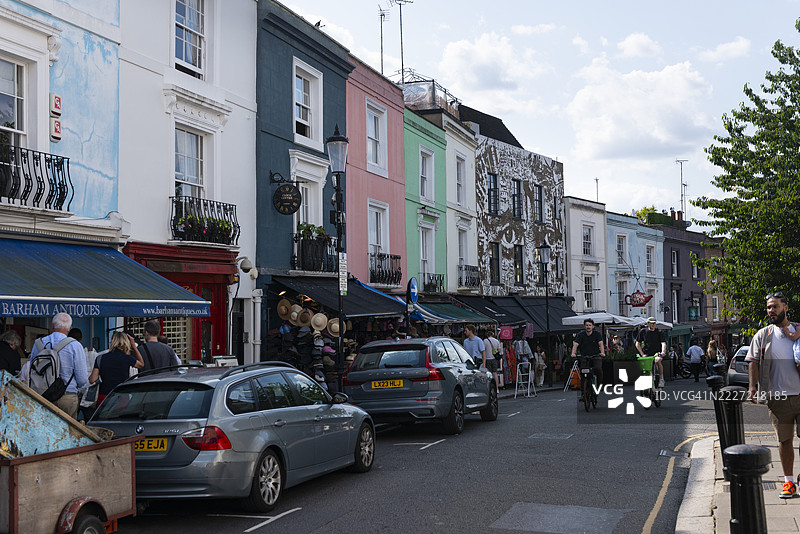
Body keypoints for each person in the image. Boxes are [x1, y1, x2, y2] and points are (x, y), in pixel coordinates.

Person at [747, 292, 800, 498]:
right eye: (769, 307)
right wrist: (753, 387)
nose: (771, 311)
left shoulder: (798, 330)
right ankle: (788, 482)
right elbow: (753, 361)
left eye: (775, 306)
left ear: (785, 307)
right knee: (784, 440)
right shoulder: (763, 334)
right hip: (778, 397)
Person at [29, 313, 88, 418]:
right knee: (68, 431)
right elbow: (82, 379)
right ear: (69, 328)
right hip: (67, 396)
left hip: (42, 395)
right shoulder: (75, 345)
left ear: (52, 325)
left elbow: (32, 370)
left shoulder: (38, 343)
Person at [89, 332, 144, 404]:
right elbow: (141, 364)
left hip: (104, 395)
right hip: (121, 395)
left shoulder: (100, 358)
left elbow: (92, 379)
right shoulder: (127, 358)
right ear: (126, 342)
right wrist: (133, 346)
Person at [570, 318, 605, 389]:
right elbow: (576, 344)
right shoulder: (580, 334)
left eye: (589, 325)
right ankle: (583, 391)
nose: (588, 327)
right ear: (584, 326)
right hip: (584, 356)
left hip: (595, 356)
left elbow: (600, 343)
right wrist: (573, 353)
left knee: (598, 369)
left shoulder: (597, 334)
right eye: (586, 325)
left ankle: (599, 386)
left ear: (593, 326)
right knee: (583, 372)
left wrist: (602, 352)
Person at [635, 317, 667, 387]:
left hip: (657, 353)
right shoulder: (643, 331)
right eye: (651, 323)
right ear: (647, 323)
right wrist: (642, 354)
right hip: (646, 353)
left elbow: (663, 343)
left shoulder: (659, 332)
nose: (653, 325)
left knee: (657, 361)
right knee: (645, 367)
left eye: (654, 323)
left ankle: (661, 378)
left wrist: (663, 352)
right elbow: (637, 343)